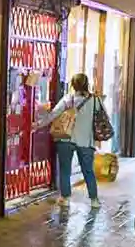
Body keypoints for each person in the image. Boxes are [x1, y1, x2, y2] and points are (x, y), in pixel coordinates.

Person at [39, 73, 104, 209]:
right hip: (86, 140)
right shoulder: (95, 100)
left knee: (65, 169)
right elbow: (102, 118)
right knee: (88, 171)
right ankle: (94, 200)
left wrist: (38, 124)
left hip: (65, 138)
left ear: (73, 85)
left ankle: (65, 198)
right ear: (87, 84)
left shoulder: (68, 99)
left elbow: (53, 114)